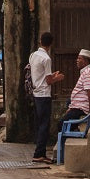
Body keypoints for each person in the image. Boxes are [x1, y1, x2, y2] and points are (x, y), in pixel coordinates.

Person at [29, 31, 64, 163]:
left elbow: (41, 76)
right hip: (44, 94)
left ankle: (40, 152)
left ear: (40, 42)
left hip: (36, 92)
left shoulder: (33, 55)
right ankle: (39, 153)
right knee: (44, 125)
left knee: (39, 124)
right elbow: (48, 81)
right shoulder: (46, 58)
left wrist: (51, 76)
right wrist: (58, 78)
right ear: (51, 44)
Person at [61, 48, 90, 128]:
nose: (77, 60)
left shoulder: (88, 73)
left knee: (61, 125)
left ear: (85, 61)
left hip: (82, 108)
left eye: (79, 58)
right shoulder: (88, 71)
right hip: (79, 107)